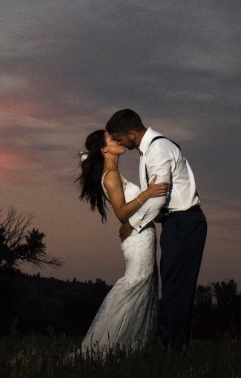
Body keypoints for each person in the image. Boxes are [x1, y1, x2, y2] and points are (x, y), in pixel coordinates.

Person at [106, 108, 206, 351]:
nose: (118, 143)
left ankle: (174, 348)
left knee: (176, 287)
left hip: (184, 222)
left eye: (119, 138)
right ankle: (174, 345)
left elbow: (159, 197)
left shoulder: (158, 150)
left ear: (131, 133)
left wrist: (132, 224)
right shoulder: (149, 151)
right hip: (176, 223)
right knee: (174, 285)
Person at [75, 128, 170, 355]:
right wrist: (147, 193)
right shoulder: (110, 175)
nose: (118, 140)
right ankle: (103, 347)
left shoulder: (113, 172)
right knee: (133, 286)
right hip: (137, 239)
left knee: (143, 288)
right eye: (112, 138)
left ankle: (128, 347)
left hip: (142, 237)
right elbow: (121, 213)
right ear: (104, 149)